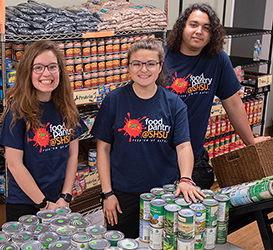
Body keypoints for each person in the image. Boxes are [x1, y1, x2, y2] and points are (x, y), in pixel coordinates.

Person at [90, 38, 205, 238]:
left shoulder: (174, 104)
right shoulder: (113, 101)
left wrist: (186, 179)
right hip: (122, 194)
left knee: (160, 242)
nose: (144, 70)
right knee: (121, 242)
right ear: (128, 67)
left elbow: (184, 146)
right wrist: (107, 193)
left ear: (160, 67)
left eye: (151, 63)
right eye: (137, 64)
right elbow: (103, 149)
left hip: (163, 194)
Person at [164, 3, 270, 189]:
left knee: (193, 216)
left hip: (194, 157)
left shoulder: (217, 59)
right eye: (193, 25)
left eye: (206, 28)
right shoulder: (161, 58)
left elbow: (233, 104)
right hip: (158, 157)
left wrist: (250, 142)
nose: (199, 31)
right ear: (182, 27)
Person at [0, 40, 88, 221]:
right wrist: (44, 204)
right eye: (38, 67)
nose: (46, 73)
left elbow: (72, 155)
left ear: (60, 71)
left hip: (59, 200)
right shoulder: (17, 110)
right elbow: (14, 164)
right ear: (27, 72)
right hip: (26, 202)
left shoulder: (67, 106)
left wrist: (65, 196)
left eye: (52, 67)